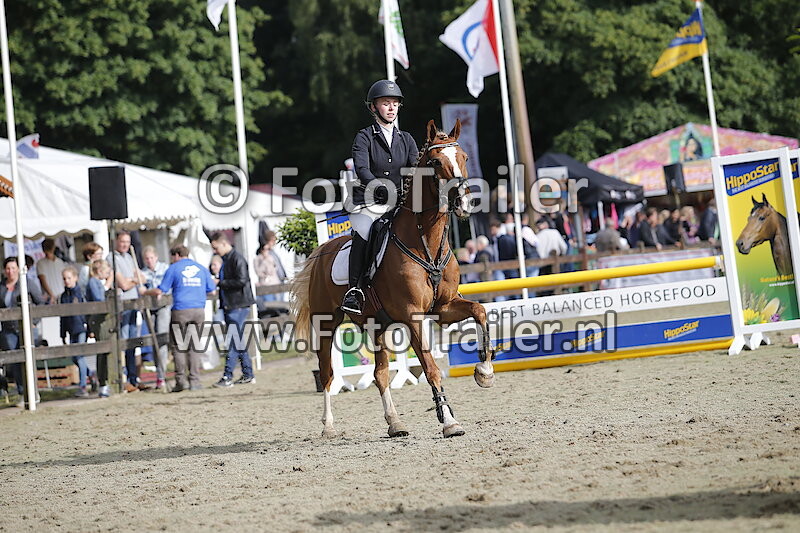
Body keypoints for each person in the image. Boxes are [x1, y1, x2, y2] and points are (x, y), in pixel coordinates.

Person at [342, 79, 419, 315]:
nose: (391, 108)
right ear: (374, 107)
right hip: (371, 201)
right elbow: (362, 169)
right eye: (386, 103)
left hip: (400, 202)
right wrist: (381, 188)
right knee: (364, 231)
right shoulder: (364, 137)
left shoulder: (406, 139)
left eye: (394, 104)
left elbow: (415, 169)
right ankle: (354, 290)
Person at [144, 245, 216, 392]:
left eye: (172, 256)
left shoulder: (174, 268)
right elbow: (212, 291)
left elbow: (161, 289)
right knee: (194, 345)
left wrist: (145, 291)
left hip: (181, 310)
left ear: (176, 255)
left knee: (178, 346)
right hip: (198, 311)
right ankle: (195, 381)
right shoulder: (201, 268)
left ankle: (181, 381)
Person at [209, 233, 257, 388]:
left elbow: (242, 280)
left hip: (238, 305)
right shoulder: (227, 259)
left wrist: (220, 283)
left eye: (216, 247)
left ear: (223, 244)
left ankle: (227, 376)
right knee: (238, 341)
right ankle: (248, 374)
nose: (215, 251)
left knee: (232, 340)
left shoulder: (237, 258)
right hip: (231, 305)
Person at [0, 257, 45, 404]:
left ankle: (33, 391)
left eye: (13, 268)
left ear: (18, 269)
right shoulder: (2, 286)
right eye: (8, 268)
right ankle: (22, 392)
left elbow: (40, 302)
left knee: (28, 360)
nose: (10, 271)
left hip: (26, 327)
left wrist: (34, 322)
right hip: (8, 329)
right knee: (15, 361)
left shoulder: (27, 283)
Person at [107, 230, 147, 392]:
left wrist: (133, 280)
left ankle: (133, 378)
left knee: (133, 342)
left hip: (133, 304)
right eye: (122, 241)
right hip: (122, 305)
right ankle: (122, 379)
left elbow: (142, 278)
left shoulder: (130, 257)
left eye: (127, 242)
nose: (125, 245)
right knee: (123, 342)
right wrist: (134, 281)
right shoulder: (111, 258)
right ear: (116, 241)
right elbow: (123, 284)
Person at [59, 266, 89, 397]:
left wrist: (89, 328)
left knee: (80, 356)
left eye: (69, 278)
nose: (67, 281)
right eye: (64, 278)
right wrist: (62, 333)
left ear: (75, 278)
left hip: (81, 328)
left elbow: (87, 311)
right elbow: (63, 317)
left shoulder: (80, 293)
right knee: (74, 358)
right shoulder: (63, 296)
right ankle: (90, 375)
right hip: (71, 329)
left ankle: (82, 386)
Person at [86, 259, 113, 398]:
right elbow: (98, 299)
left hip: (102, 320)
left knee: (105, 351)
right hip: (98, 320)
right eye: (107, 272)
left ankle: (105, 381)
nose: (108, 275)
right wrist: (107, 288)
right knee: (102, 351)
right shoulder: (93, 282)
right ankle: (103, 382)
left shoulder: (95, 282)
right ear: (100, 271)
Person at [37, 238, 65, 304]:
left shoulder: (60, 262)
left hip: (61, 294)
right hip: (49, 297)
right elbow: (42, 280)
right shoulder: (41, 263)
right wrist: (51, 295)